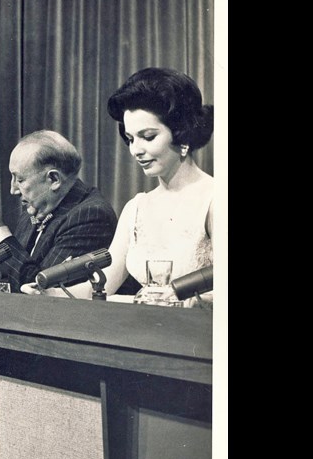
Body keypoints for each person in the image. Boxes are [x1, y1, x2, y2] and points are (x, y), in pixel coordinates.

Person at [23, 68, 214, 306]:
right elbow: (105, 284)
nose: (135, 150)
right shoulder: (137, 208)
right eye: (131, 139)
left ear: (181, 134)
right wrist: (50, 294)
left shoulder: (214, 199)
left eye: (148, 136)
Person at [0, 130, 118, 291]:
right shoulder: (37, 208)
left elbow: (38, 290)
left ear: (54, 179)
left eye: (20, 179)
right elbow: (4, 275)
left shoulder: (91, 216)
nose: (13, 190)